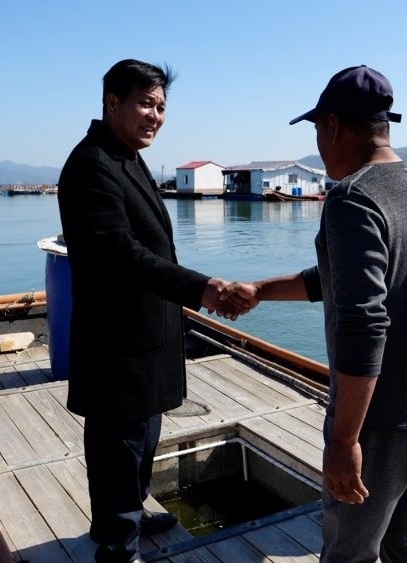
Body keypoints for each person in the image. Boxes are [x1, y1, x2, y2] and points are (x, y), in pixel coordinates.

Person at [227, 65, 407, 562]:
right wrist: (260, 290)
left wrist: (344, 440)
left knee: (349, 553)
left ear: (332, 125)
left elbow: (363, 323)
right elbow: (340, 277)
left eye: (317, 130)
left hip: (385, 421)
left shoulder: (352, 197)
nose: (319, 143)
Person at [56, 58, 252, 563]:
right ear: (113, 102)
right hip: (115, 338)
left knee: (143, 437)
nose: (156, 116)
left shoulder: (126, 157)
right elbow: (119, 252)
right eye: (146, 103)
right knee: (118, 443)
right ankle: (117, 545)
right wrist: (202, 288)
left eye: (162, 106)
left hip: (149, 332)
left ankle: (131, 515)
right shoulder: (92, 164)